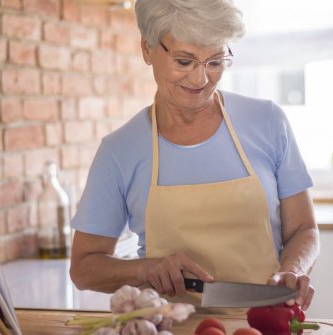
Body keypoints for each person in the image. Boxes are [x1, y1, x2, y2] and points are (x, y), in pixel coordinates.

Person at [70, 0, 320, 311]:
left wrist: (292, 270)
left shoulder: (268, 121)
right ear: (147, 50)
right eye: (184, 61)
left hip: (267, 323)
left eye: (215, 62)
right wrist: (143, 269)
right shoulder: (119, 151)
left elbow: (303, 229)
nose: (200, 80)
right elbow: (83, 268)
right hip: (169, 329)